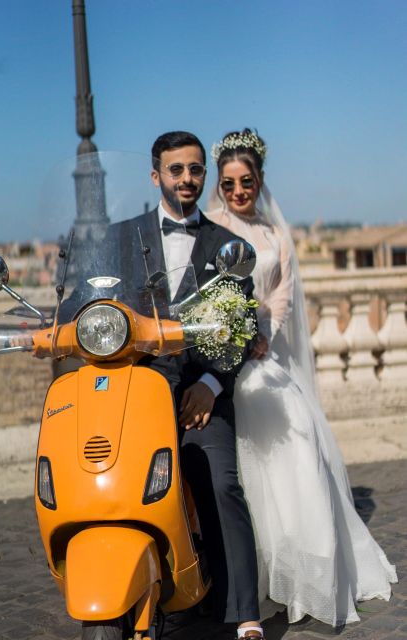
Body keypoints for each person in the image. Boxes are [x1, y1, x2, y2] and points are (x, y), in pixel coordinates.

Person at [206, 128, 398, 628]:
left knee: (298, 428)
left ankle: (308, 568)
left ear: (260, 180)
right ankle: (258, 573)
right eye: (228, 184)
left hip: (263, 354)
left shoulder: (274, 237)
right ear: (219, 186)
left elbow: (281, 298)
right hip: (223, 362)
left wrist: (261, 333)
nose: (238, 192)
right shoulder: (208, 229)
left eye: (246, 181)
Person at [125, 131, 264, 640]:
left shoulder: (228, 248)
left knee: (222, 482)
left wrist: (209, 383)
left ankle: (242, 610)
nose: (187, 178)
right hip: (134, 396)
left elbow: (241, 327)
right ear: (156, 174)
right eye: (176, 169)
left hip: (200, 398)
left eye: (195, 170)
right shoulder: (122, 238)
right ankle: (147, 594)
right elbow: (83, 300)